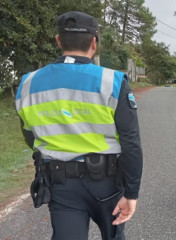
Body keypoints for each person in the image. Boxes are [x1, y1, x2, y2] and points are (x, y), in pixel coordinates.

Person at [15, 11, 143, 239]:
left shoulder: (28, 83)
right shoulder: (112, 81)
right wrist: (131, 193)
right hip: (108, 184)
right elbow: (131, 142)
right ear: (94, 42)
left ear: (58, 40)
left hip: (61, 185)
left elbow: (30, 136)